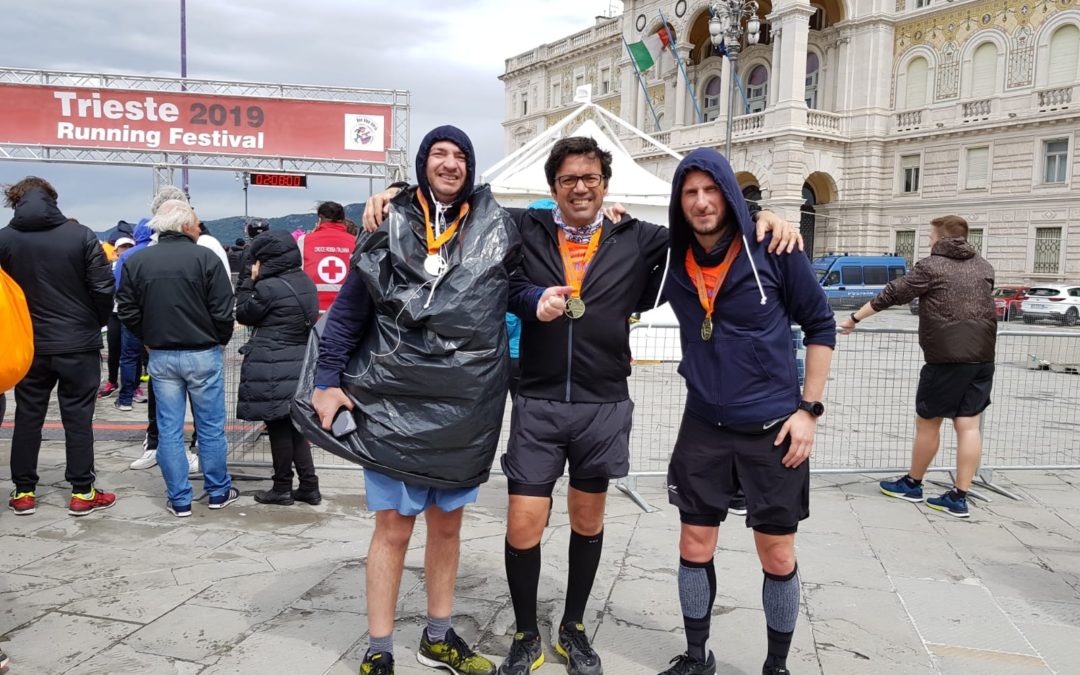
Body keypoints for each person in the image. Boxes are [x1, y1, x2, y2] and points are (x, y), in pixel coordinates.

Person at [364, 137, 801, 675]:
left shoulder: (641, 239)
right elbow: (463, 213)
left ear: (604, 185)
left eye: (590, 178)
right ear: (553, 189)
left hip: (603, 403)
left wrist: (767, 215)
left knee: (588, 522)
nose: (580, 187)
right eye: (569, 179)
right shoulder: (524, 229)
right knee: (524, 522)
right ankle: (527, 635)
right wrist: (396, 192)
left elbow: (707, 222)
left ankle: (573, 626)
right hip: (539, 398)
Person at [311, 126, 514, 675]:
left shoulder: (495, 226)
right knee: (394, 528)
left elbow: (523, 278)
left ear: (472, 168)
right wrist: (327, 379)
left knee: (447, 528)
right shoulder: (388, 221)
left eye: (461, 156)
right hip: (393, 402)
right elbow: (351, 308)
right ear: (425, 162)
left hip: (460, 410)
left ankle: (438, 637)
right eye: (440, 155)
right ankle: (379, 649)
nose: (450, 164)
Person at [653, 148, 835, 675]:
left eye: (712, 190)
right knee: (694, 542)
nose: (702, 202)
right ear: (679, 201)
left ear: (730, 195)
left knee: (776, 553)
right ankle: (695, 656)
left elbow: (821, 325)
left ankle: (776, 666)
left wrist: (809, 410)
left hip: (774, 429)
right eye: (691, 193)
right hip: (703, 425)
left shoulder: (772, 247)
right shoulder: (671, 257)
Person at [839, 215, 995, 519]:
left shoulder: (931, 266)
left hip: (947, 358)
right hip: (983, 356)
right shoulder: (984, 266)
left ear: (940, 238)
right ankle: (959, 496)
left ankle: (913, 483)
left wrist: (854, 319)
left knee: (928, 421)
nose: (928, 240)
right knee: (969, 425)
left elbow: (893, 293)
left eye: (930, 235)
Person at [0, 176, 117, 516]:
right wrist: (94, 322)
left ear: (15, 202)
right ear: (52, 199)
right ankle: (82, 492)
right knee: (78, 417)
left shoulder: (4, 239)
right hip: (77, 342)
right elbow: (103, 288)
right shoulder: (80, 236)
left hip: (27, 344)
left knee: (27, 415)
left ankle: (23, 491)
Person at [116, 199, 238, 517]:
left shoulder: (137, 261)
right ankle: (217, 490)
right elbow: (224, 310)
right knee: (210, 427)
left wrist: (147, 337)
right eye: (196, 223)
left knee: (169, 429)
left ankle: (179, 498)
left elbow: (127, 309)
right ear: (185, 226)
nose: (199, 228)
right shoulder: (206, 258)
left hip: (161, 354)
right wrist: (219, 340)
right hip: (203, 352)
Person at [235, 230, 321, 506]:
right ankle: (309, 485)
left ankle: (282, 486)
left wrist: (249, 280)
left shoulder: (268, 287)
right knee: (295, 427)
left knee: (278, 427)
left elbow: (244, 313)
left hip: (273, 362)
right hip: (298, 361)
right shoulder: (304, 281)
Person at [299, 200, 357, 313]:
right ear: (343, 220)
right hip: (346, 312)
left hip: (311, 312)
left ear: (320, 219)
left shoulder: (303, 241)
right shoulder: (357, 243)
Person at [99, 235, 136, 399]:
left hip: (132, 314)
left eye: (129, 247)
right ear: (116, 251)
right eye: (123, 248)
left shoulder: (137, 265)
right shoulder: (110, 267)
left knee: (132, 352)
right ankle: (112, 381)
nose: (126, 251)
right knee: (114, 349)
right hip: (114, 313)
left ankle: (132, 386)